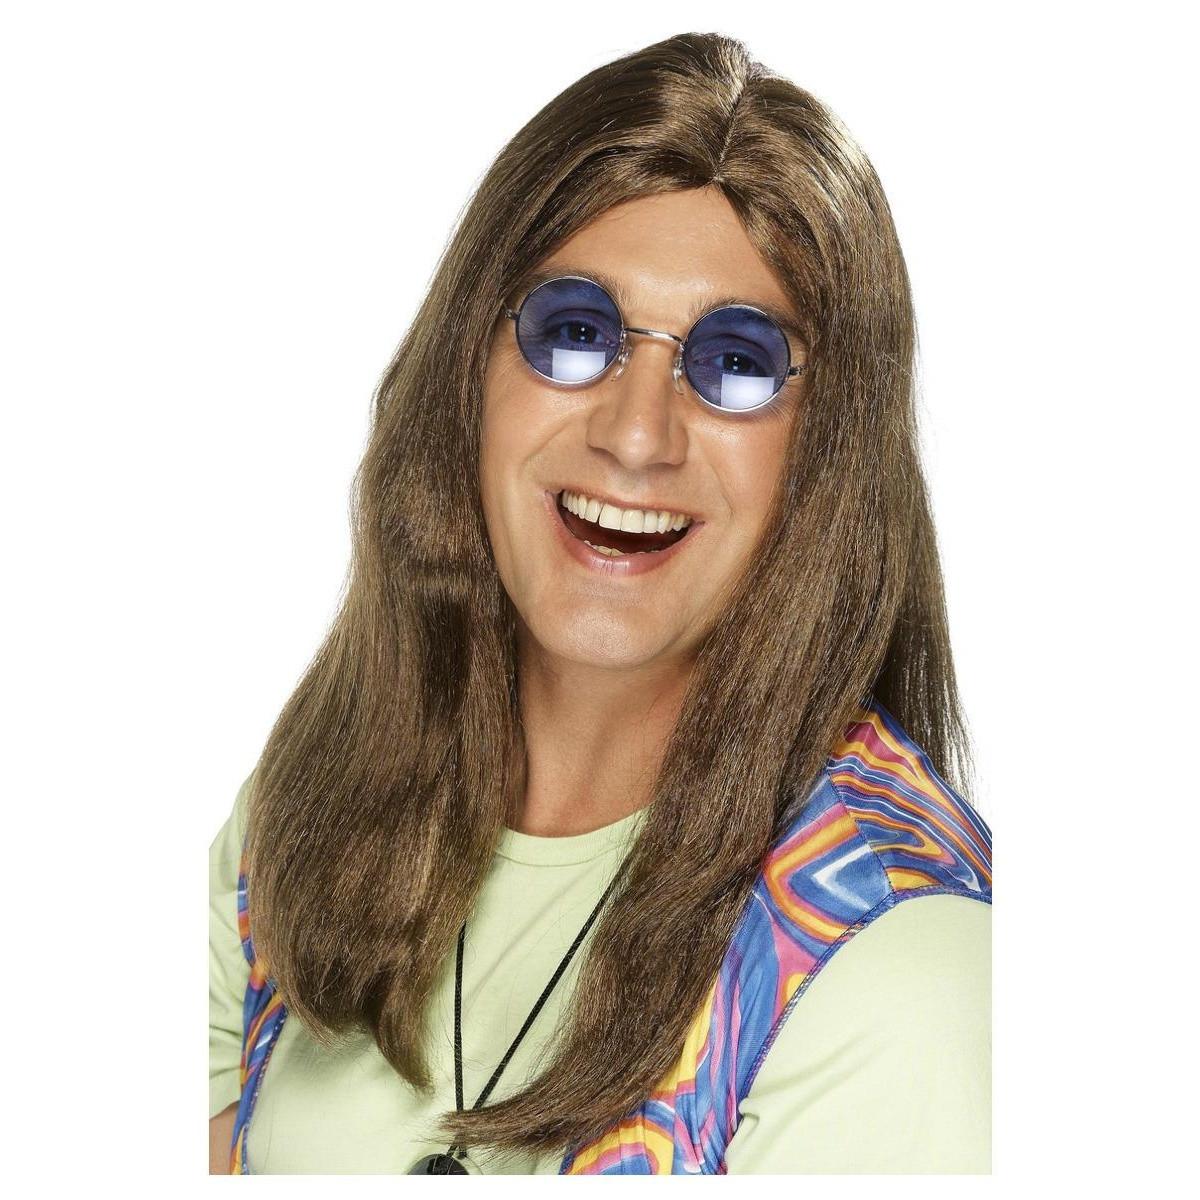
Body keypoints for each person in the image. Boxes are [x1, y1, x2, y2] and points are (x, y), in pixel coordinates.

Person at [209, 31, 992, 1175]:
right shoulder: (316, 812)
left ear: (827, 452)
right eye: (575, 333)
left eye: (736, 362)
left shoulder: (896, 965)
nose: (636, 434)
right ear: (470, 373)